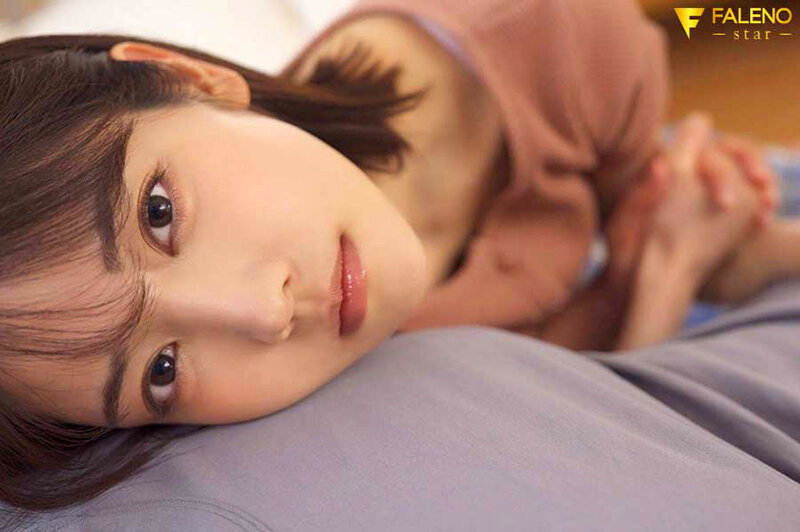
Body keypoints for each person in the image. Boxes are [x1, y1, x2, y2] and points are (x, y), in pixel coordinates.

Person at [0, 0, 793, 513]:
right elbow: (590, 391)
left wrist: (687, 238)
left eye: (159, 214)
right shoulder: (341, 385)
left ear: (185, 77)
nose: (263, 314)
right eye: (160, 370)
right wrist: (659, 274)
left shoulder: (554, 32)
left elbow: (686, 242)